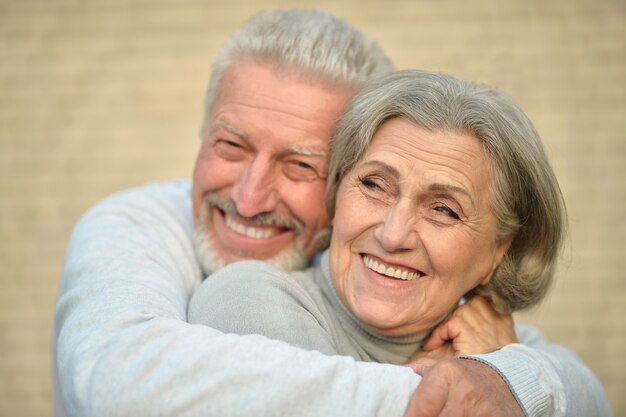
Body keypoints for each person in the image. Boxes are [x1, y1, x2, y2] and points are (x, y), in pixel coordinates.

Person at [53, 9, 612, 417]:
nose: (249, 199)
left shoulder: (479, 328)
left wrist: (515, 374)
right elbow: (115, 378)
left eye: (300, 165)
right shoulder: (174, 248)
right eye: (230, 146)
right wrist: (474, 390)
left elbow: (585, 392)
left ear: (498, 252)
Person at [187, 68, 557, 367]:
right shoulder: (246, 296)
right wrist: (445, 383)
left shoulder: (495, 337)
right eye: (375, 185)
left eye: (444, 209)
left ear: (499, 252)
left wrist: (509, 372)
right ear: (336, 190)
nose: (393, 235)